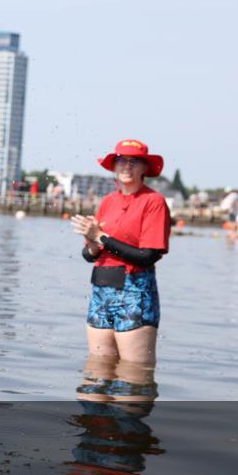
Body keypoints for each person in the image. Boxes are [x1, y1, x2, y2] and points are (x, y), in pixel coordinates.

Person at [71, 139, 170, 364]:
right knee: (96, 372)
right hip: (101, 290)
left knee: (134, 374)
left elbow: (148, 257)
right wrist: (93, 245)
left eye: (134, 161)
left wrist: (102, 237)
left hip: (134, 292)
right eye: (122, 161)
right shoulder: (108, 201)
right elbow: (89, 255)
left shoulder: (153, 201)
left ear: (145, 168)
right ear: (114, 166)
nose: (127, 166)